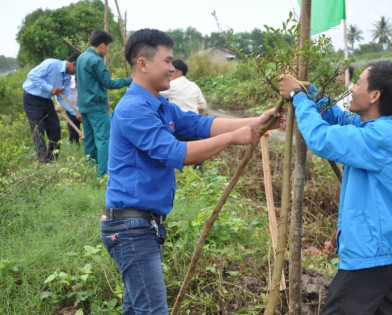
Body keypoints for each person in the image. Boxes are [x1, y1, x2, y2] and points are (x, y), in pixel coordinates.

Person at [100, 28, 285, 314]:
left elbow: (199, 125)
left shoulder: (159, 104)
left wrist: (258, 121)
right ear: (142, 64)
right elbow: (176, 153)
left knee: (137, 309)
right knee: (152, 310)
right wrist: (232, 138)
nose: (173, 69)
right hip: (130, 229)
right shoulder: (134, 109)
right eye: (167, 61)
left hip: (142, 226)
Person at [279, 60, 392, 314]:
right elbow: (340, 120)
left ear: (375, 95)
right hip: (390, 248)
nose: (351, 88)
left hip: (371, 254)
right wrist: (310, 93)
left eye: (359, 83)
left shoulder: (379, 138)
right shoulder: (388, 125)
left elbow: (321, 138)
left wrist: (298, 97)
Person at [76, 30, 132, 177]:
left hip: (84, 106)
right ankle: (104, 173)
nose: (107, 51)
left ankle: (90, 168)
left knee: (89, 140)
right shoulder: (95, 61)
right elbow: (108, 83)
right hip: (96, 106)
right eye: (108, 47)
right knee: (103, 139)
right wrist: (130, 80)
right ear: (102, 45)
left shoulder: (82, 57)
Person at [22, 51, 80, 163]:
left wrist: (76, 113)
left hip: (46, 101)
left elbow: (63, 98)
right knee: (38, 130)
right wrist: (50, 88)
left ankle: (53, 159)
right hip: (32, 99)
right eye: (78, 69)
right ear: (73, 64)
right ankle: (43, 161)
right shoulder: (52, 64)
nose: (77, 73)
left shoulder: (67, 77)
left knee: (55, 128)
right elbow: (32, 75)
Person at [55, 75, 82, 145]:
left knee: (90, 131)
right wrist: (60, 104)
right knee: (73, 132)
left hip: (86, 108)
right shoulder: (67, 82)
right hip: (72, 108)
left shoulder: (88, 84)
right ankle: (75, 147)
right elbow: (58, 92)